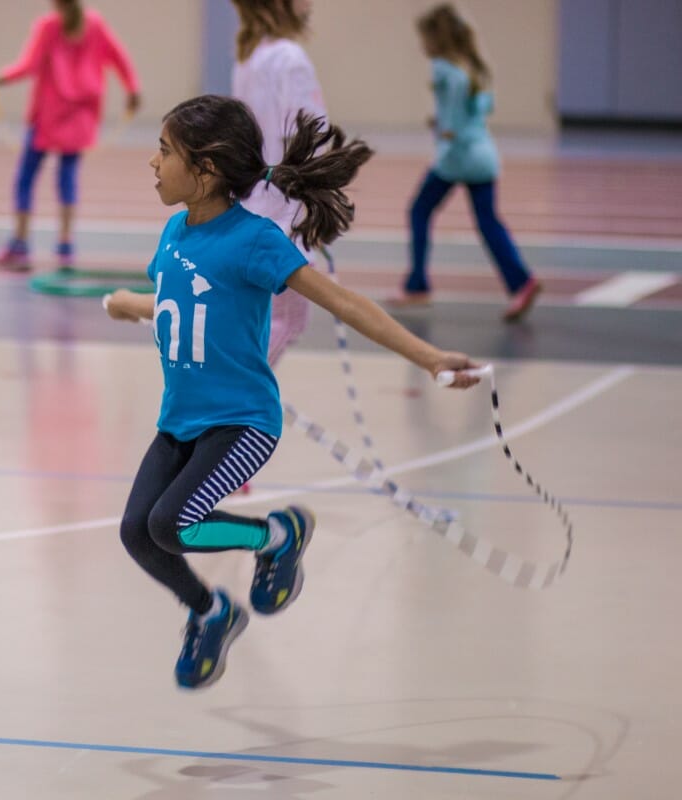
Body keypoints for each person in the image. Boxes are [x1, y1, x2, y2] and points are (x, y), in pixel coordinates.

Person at [103, 95, 479, 689]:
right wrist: (135, 305)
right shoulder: (175, 230)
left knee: (172, 525)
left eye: (165, 151)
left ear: (206, 170)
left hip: (243, 423)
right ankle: (211, 613)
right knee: (137, 533)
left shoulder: (255, 241)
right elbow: (190, 305)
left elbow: (346, 305)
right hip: (179, 422)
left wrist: (430, 358)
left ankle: (277, 535)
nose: (153, 163)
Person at [390, 3, 541, 322]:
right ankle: (520, 281)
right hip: (484, 155)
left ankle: (417, 283)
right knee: (488, 222)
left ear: (437, 39)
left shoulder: (444, 69)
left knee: (419, 210)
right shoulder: (475, 67)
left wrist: (446, 130)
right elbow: (484, 107)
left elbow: (454, 117)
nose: (422, 46)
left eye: (425, 38)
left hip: (457, 157)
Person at [0, 0, 140, 271]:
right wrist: (132, 89)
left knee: (26, 177)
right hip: (82, 114)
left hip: (49, 114)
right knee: (67, 177)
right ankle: (65, 245)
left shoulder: (49, 26)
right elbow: (120, 57)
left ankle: (21, 244)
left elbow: (27, 67)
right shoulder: (94, 24)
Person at [230, 0, 324, 364]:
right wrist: (316, 208)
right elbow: (309, 137)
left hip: (258, 204)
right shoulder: (289, 58)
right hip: (283, 211)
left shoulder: (252, 55)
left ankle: (229, 402)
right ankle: (229, 402)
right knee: (287, 320)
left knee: (272, 319)